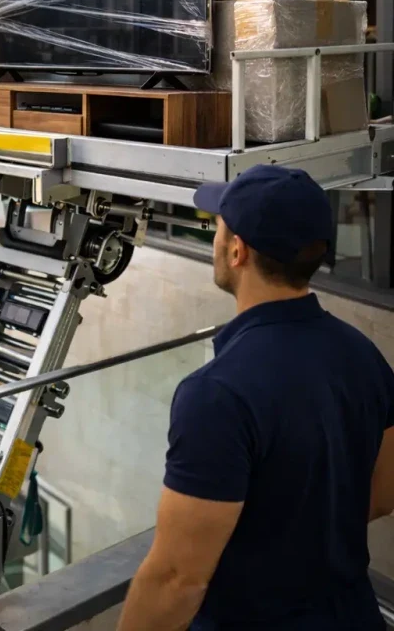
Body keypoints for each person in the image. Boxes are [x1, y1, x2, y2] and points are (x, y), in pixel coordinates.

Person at [116, 164, 394, 631]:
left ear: (237, 251)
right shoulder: (364, 354)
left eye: (218, 228)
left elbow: (177, 580)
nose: (214, 239)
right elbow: (382, 496)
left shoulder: (215, 394)